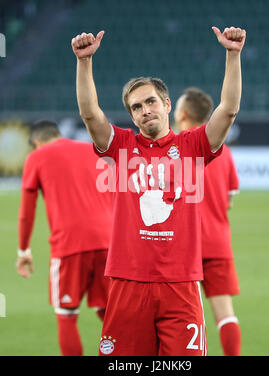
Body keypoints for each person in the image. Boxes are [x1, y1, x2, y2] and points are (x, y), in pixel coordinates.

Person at [71, 25, 246, 356]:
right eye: (136, 107)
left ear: (167, 104)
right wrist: (84, 63)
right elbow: (89, 113)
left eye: (150, 101)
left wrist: (233, 55)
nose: (145, 110)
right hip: (127, 280)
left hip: (180, 282)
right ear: (132, 116)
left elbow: (229, 109)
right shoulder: (120, 145)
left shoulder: (193, 145)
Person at [16, 120, 113, 356]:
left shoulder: (37, 157)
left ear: (36, 142)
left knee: (66, 316)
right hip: (109, 244)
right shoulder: (90, 149)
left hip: (69, 245)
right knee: (110, 314)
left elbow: (26, 212)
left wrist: (23, 251)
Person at [174, 87, 241, 356]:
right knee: (225, 314)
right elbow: (229, 201)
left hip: (182, 246)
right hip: (217, 242)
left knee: (182, 319)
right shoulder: (224, 151)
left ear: (182, 114)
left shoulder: (175, 148)